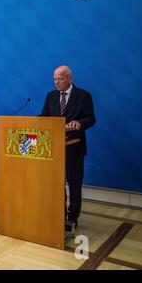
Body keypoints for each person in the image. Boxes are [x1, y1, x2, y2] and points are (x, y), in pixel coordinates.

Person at [40, 66, 96, 229]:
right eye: (54, 79)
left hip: (74, 147)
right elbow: (45, 116)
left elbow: (91, 118)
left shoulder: (83, 95)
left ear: (70, 79)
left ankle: (73, 217)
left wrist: (80, 123)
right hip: (54, 148)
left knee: (74, 184)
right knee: (57, 184)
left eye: (60, 78)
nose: (56, 82)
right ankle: (60, 214)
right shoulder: (51, 96)